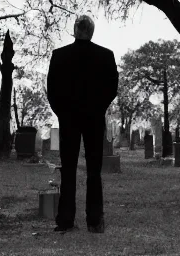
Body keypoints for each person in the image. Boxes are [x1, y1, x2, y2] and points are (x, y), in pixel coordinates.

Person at [46, 15, 118, 234]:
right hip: (93, 118)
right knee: (94, 171)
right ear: (92, 32)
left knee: (68, 169)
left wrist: (62, 113)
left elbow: (53, 90)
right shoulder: (105, 56)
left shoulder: (60, 56)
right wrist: (99, 108)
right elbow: (111, 88)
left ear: (75, 30)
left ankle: (66, 219)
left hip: (69, 119)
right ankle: (94, 220)